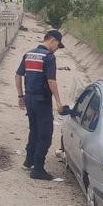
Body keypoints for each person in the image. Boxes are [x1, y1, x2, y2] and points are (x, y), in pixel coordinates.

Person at [15, 30, 67, 180]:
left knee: (34, 130)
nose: (57, 48)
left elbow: (18, 75)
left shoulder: (29, 54)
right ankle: (38, 169)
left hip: (29, 99)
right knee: (45, 135)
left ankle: (29, 160)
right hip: (42, 101)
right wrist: (58, 102)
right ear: (52, 41)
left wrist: (20, 96)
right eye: (58, 45)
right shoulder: (49, 57)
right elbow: (51, 81)